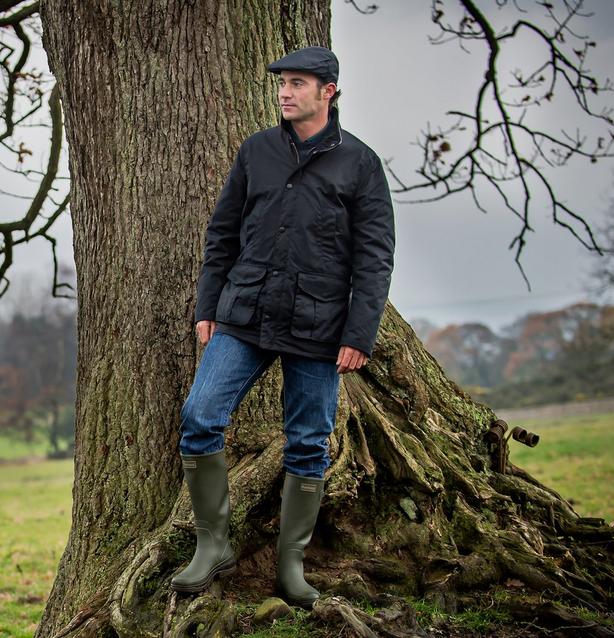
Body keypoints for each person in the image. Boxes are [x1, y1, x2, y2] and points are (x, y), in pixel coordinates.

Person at [171, 46, 395, 608]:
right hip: (243, 316)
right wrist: (208, 306)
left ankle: (290, 568)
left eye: (298, 83)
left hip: (319, 329)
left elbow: (373, 259)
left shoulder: (360, 165)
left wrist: (358, 334)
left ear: (329, 91)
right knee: (199, 417)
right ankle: (213, 544)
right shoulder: (257, 152)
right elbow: (221, 235)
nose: (285, 92)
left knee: (308, 442)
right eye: (282, 83)